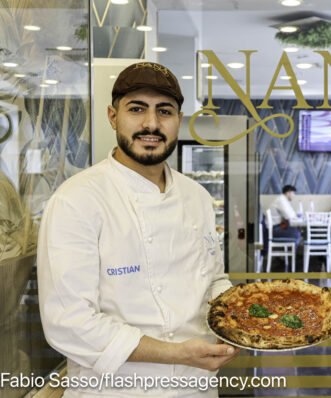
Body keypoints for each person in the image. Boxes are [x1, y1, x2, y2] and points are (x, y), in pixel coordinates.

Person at [37, 62, 239, 397]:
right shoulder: (77, 200)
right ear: (112, 116)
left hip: (196, 386)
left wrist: (238, 322)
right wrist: (175, 353)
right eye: (136, 109)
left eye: (164, 111)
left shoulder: (197, 196)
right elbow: (69, 323)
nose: (151, 123)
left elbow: (213, 279)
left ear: (178, 120)